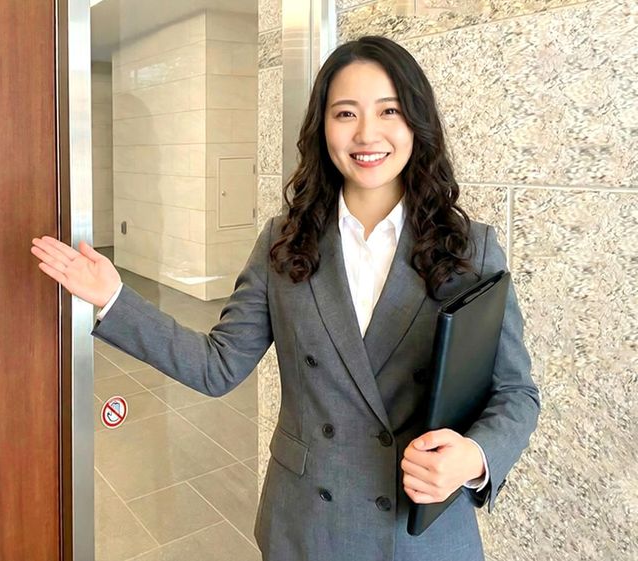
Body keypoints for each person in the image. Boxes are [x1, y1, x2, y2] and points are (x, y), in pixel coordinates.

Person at [31, 35, 540, 561]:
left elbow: (515, 392)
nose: (367, 133)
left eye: (388, 110)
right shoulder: (286, 242)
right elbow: (217, 366)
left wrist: (473, 457)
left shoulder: (468, 248)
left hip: (419, 534)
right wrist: (114, 297)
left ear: (417, 122)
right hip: (307, 524)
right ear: (322, 127)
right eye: (346, 113)